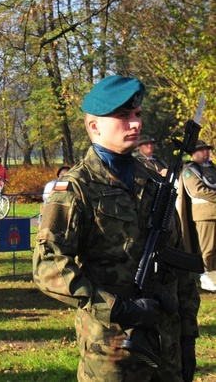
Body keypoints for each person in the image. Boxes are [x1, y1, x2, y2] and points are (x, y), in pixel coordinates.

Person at [33, 75, 200, 382]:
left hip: (168, 346)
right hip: (112, 351)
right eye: (123, 116)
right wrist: (118, 308)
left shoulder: (154, 182)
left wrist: (188, 335)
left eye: (136, 115)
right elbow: (48, 266)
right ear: (94, 126)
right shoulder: (75, 188)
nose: (135, 124)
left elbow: (181, 262)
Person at [178, 140, 216, 293]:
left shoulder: (212, 167)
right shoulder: (190, 169)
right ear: (193, 153)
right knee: (208, 249)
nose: (205, 152)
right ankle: (207, 277)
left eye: (206, 149)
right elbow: (197, 190)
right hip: (205, 214)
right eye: (201, 150)